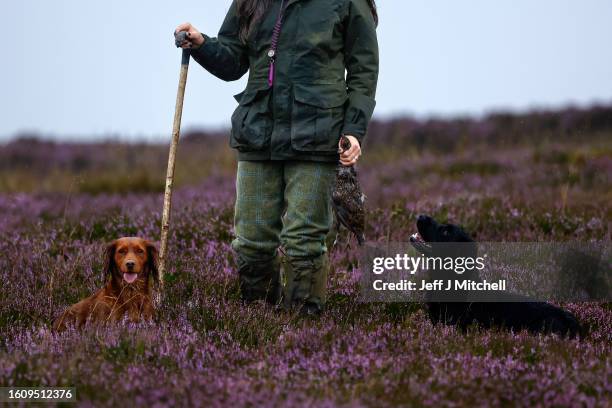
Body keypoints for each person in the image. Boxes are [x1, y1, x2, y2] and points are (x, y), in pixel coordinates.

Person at [175, 0, 378, 315]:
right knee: (251, 241)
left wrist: (354, 129)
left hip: (317, 136)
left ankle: (303, 329)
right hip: (258, 133)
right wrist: (202, 43)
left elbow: (363, 70)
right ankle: (257, 325)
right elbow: (232, 61)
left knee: (303, 241)